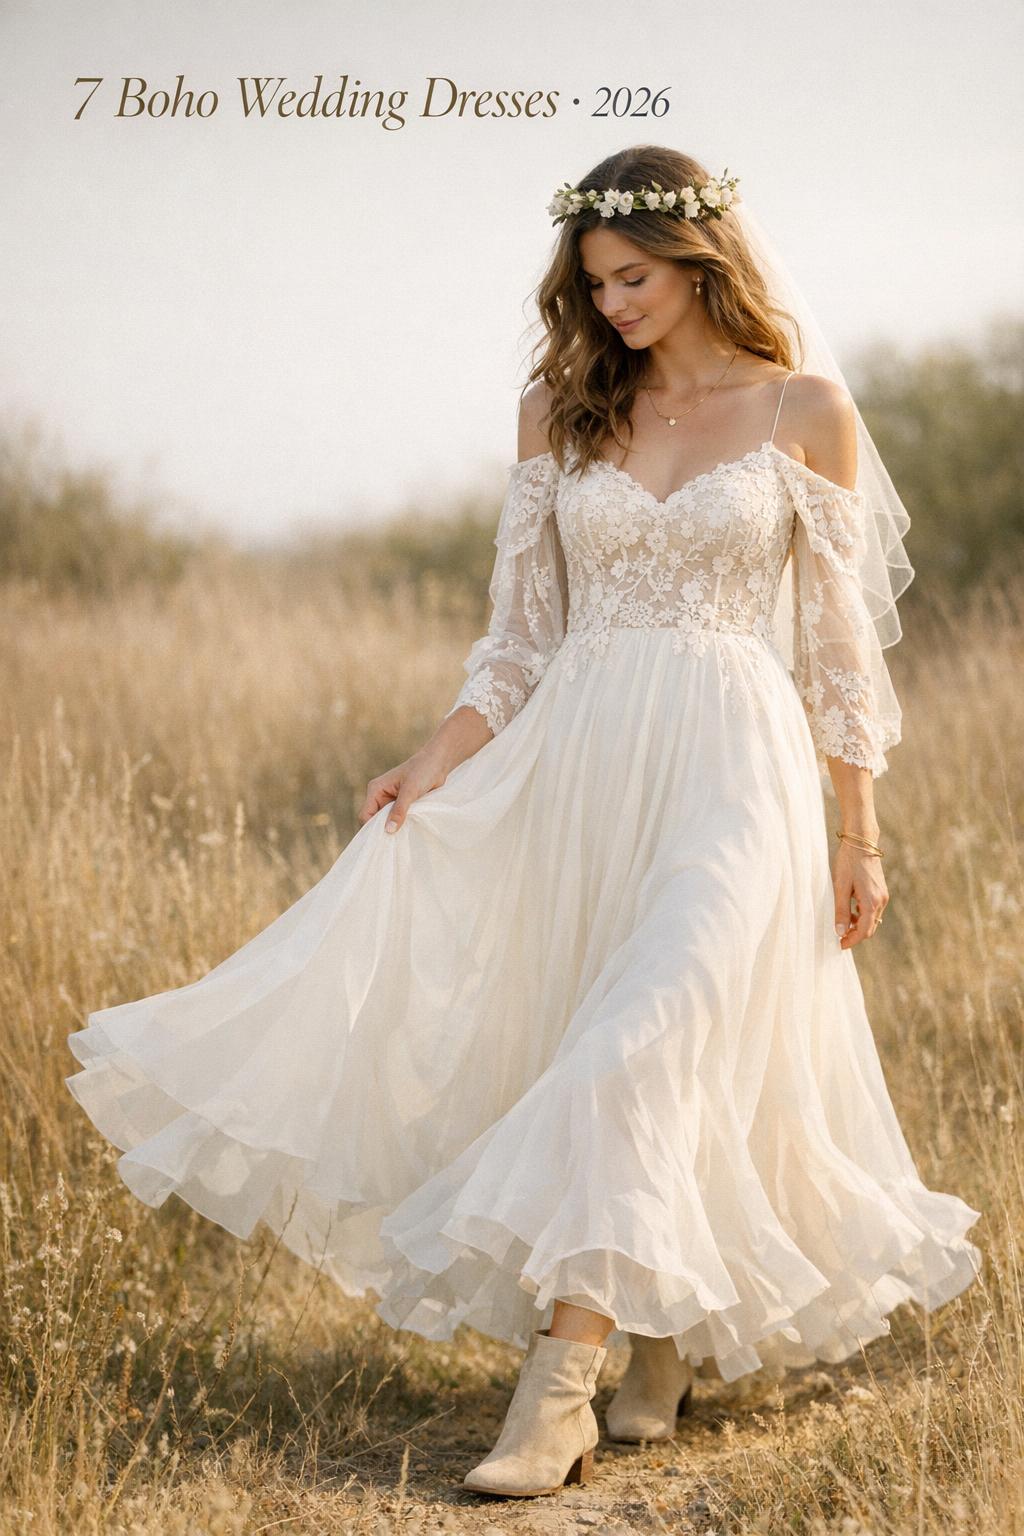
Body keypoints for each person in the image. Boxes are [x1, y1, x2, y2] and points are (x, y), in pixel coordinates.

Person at [65, 145, 983, 1502]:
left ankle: (554, 1400)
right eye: (594, 281)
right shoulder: (561, 411)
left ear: (702, 261)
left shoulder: (803, 410)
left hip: (737, 766)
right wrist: (433, 757)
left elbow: (841, 652)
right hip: (582, 764)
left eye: (636, 277)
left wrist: (861, 832)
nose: (612, 304)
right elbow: (520, 640)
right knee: (624, 1051)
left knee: (640, 1043)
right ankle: (657, 1339)